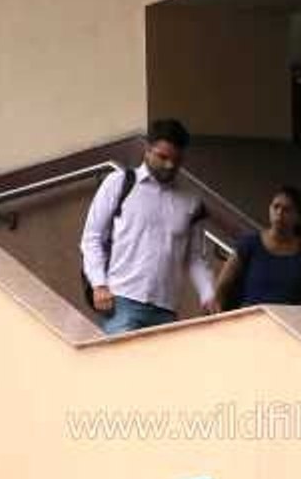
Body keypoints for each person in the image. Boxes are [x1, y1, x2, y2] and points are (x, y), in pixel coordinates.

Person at [80, 119, 215, 335]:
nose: (170, 165)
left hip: (166, 309)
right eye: (163, 157)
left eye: (176, 160)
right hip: (122, 301)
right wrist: (98, 283)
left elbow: (195, 256)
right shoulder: (119, 183)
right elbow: (92, 237)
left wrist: (208, 293)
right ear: (147, 149)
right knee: (120, 366)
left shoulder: (191, 200)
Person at [209, 186, 301, 326]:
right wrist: (218, 310)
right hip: (251, 322)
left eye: (287, 210)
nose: (279, 213)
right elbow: (223, 285)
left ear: (297, 217)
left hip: (289, 325)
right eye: (276, 207)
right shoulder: (250, 244)